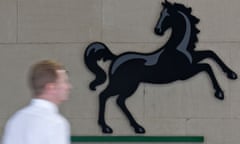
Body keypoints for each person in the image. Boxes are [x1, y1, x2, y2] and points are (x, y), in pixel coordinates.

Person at [2, 60, 72, 144]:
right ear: (50, 88)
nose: (69, 87)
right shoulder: (55, 123)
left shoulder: (16, 119)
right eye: (64, 82)